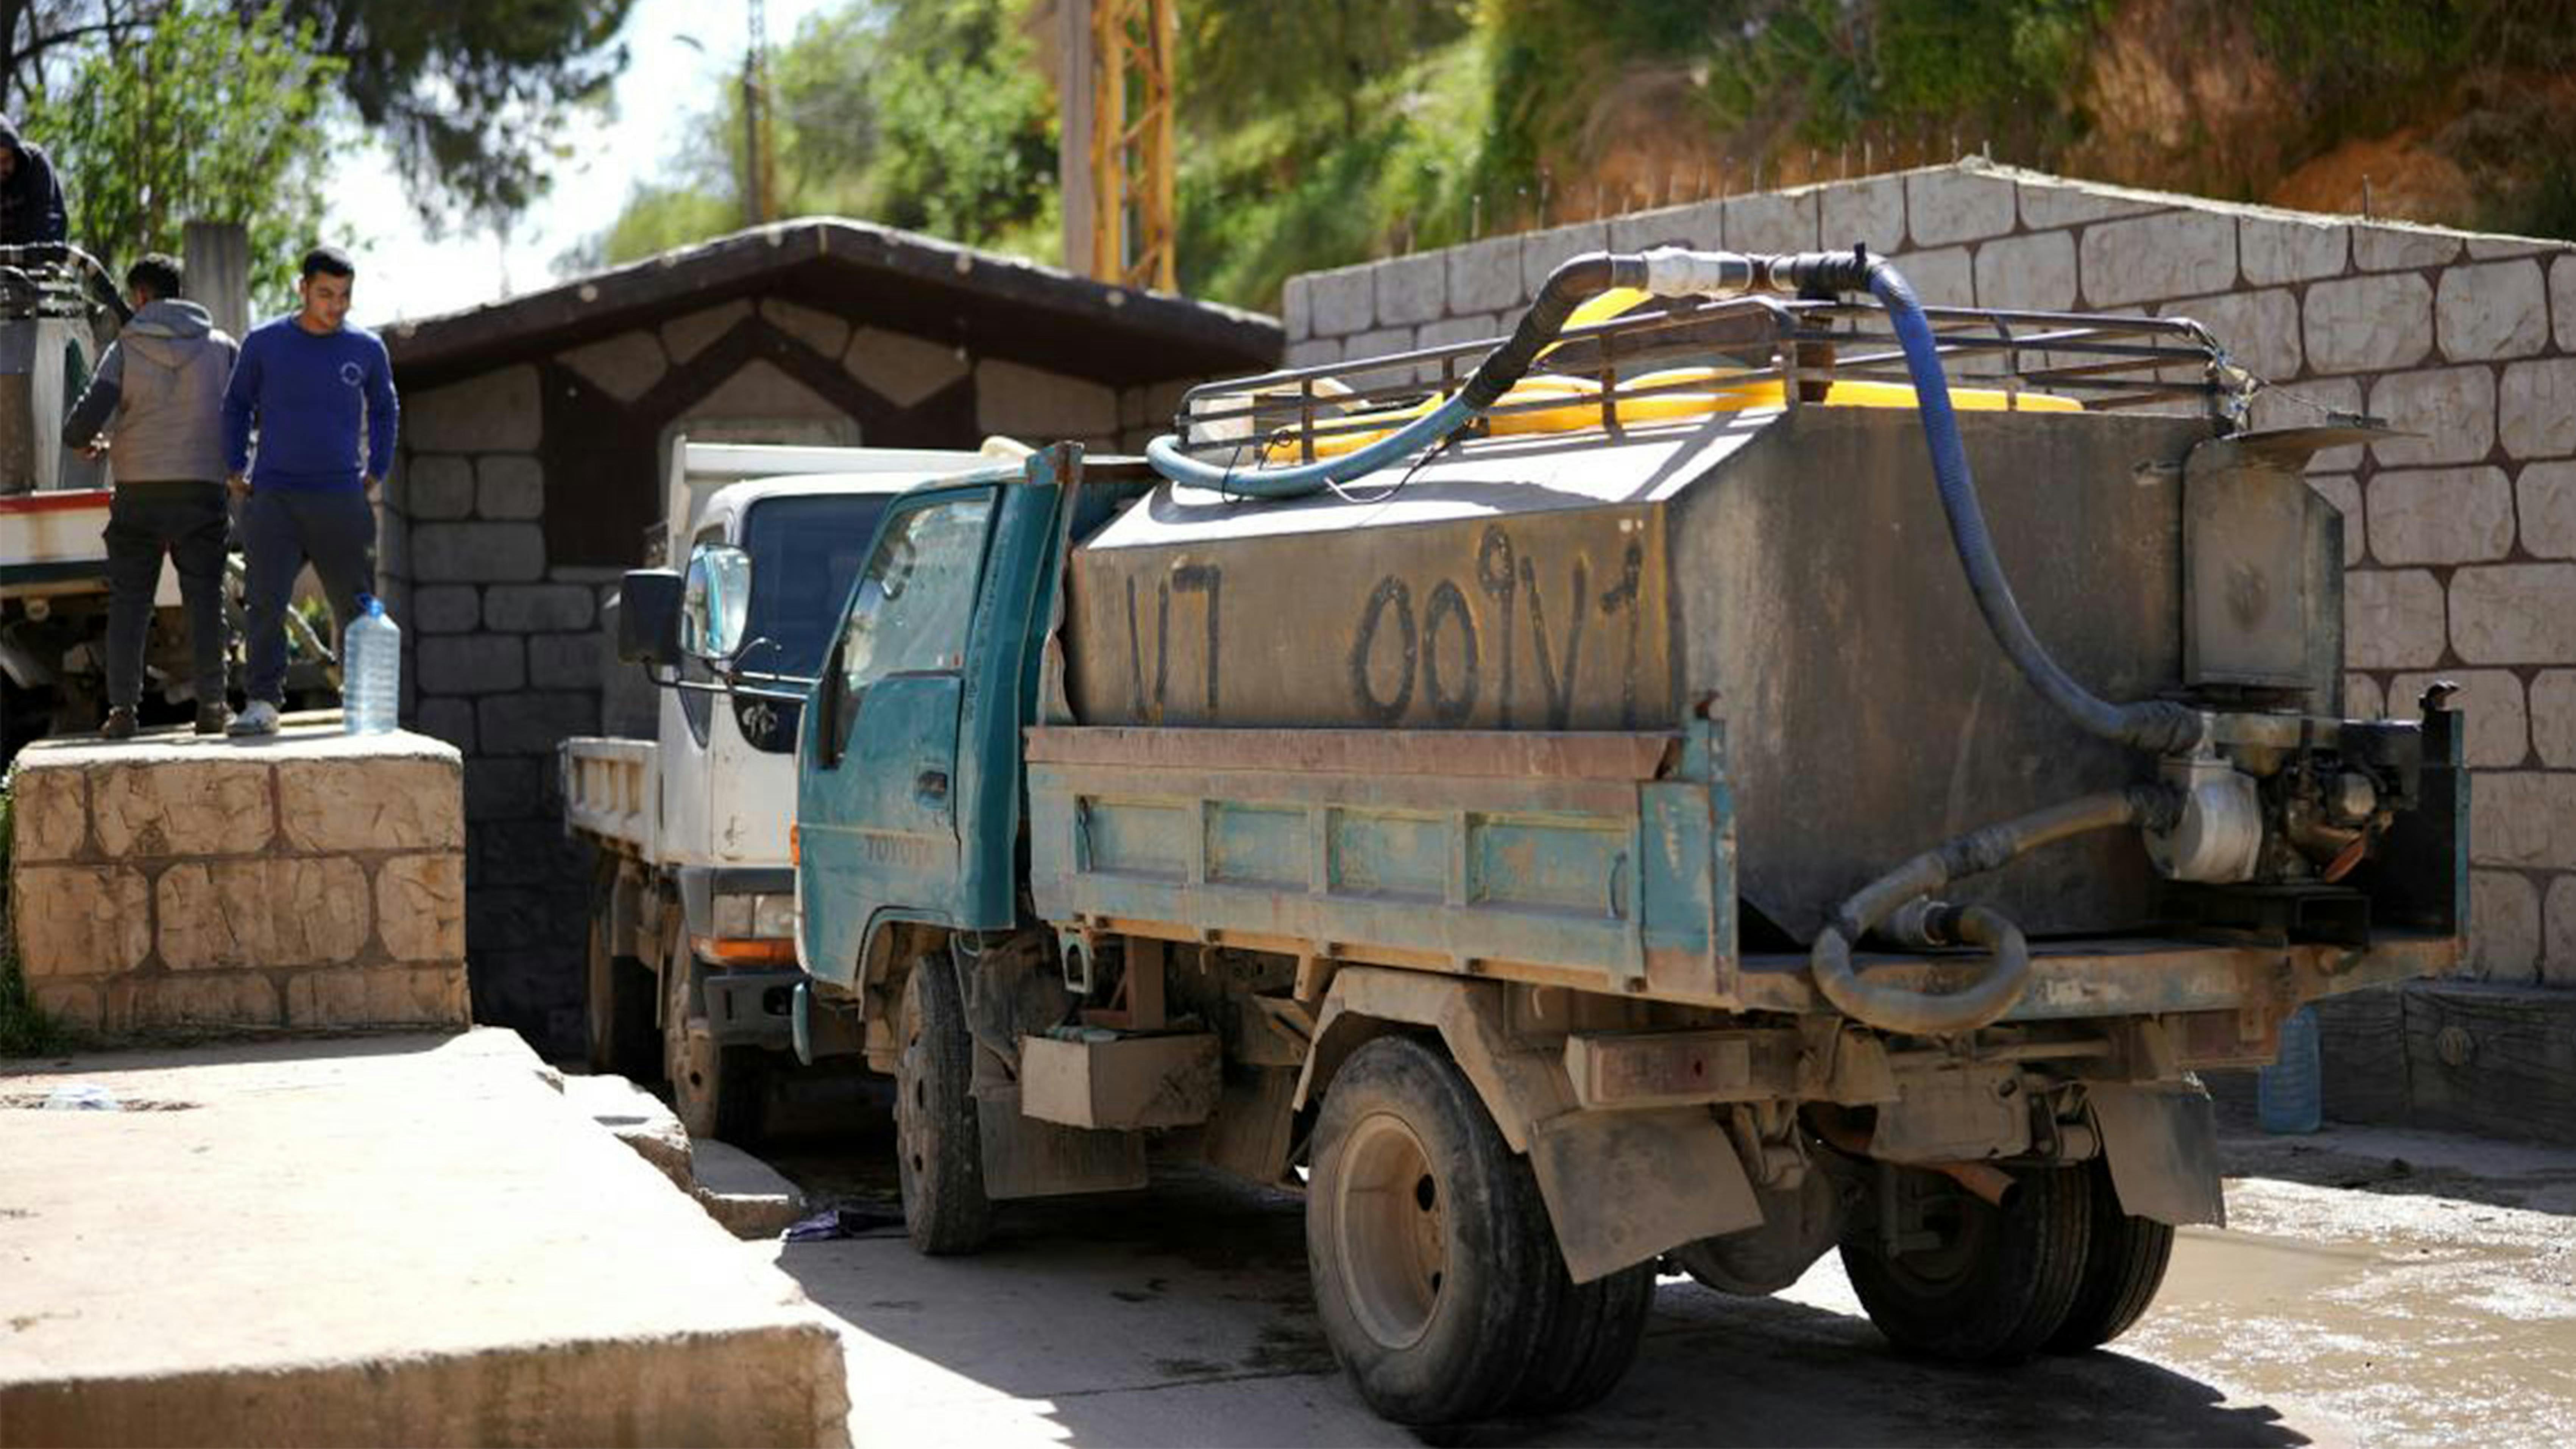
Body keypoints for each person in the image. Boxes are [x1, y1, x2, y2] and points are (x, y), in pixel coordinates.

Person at [220, 244, 398, 737]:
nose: (336, 305)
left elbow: (386, 408)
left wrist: (378, 466)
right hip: (274, 496)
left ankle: (363, 706)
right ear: (302, 289)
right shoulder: (264, 343)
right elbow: (235, 405)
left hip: (342, 497)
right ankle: (261, 704)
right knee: (265, 601)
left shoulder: (366, 349)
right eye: (325, 294)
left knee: (359, 606)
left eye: (344, 296)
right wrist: (235, 464)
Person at [61, 253, 238, 738]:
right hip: (203, 490)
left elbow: (80, 424)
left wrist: (88, 444)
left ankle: (122, 713)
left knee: (130, 604)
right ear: (178, 293)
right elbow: (249, 413)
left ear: (140, 297)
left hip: (139, 493)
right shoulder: (222, 348)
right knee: (205, 601)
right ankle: (213, 707)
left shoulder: (124, 349)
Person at [0, 113, 68, 245]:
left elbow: (47, 221)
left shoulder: (35, 165)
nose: (1, 168)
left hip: (37, 250)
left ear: (16, 155)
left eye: (6, 160)